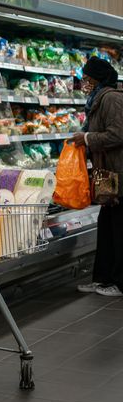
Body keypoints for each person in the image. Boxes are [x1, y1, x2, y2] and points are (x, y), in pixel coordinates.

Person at [72, 56, 123, 297]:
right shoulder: (96, 100)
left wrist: (88, 139)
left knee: (118, 228)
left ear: (98, 79)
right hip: (106, 173)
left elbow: (117, 134)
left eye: (88, 79)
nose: (84, 83)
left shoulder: (112, 98)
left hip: (119, 172)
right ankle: (103, 278)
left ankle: (119, 282)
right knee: (107, 227)